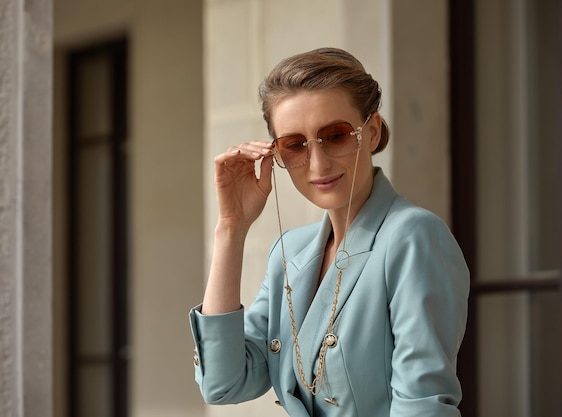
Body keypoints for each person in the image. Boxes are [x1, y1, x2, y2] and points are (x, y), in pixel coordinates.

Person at [188, 47, 469, 417]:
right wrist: (231, 229)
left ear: (371, 132)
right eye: (295, 145)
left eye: (335, 136)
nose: (317, 164)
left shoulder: (412, 236)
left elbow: (422, 405)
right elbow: (223, 384)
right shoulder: (290, 252)